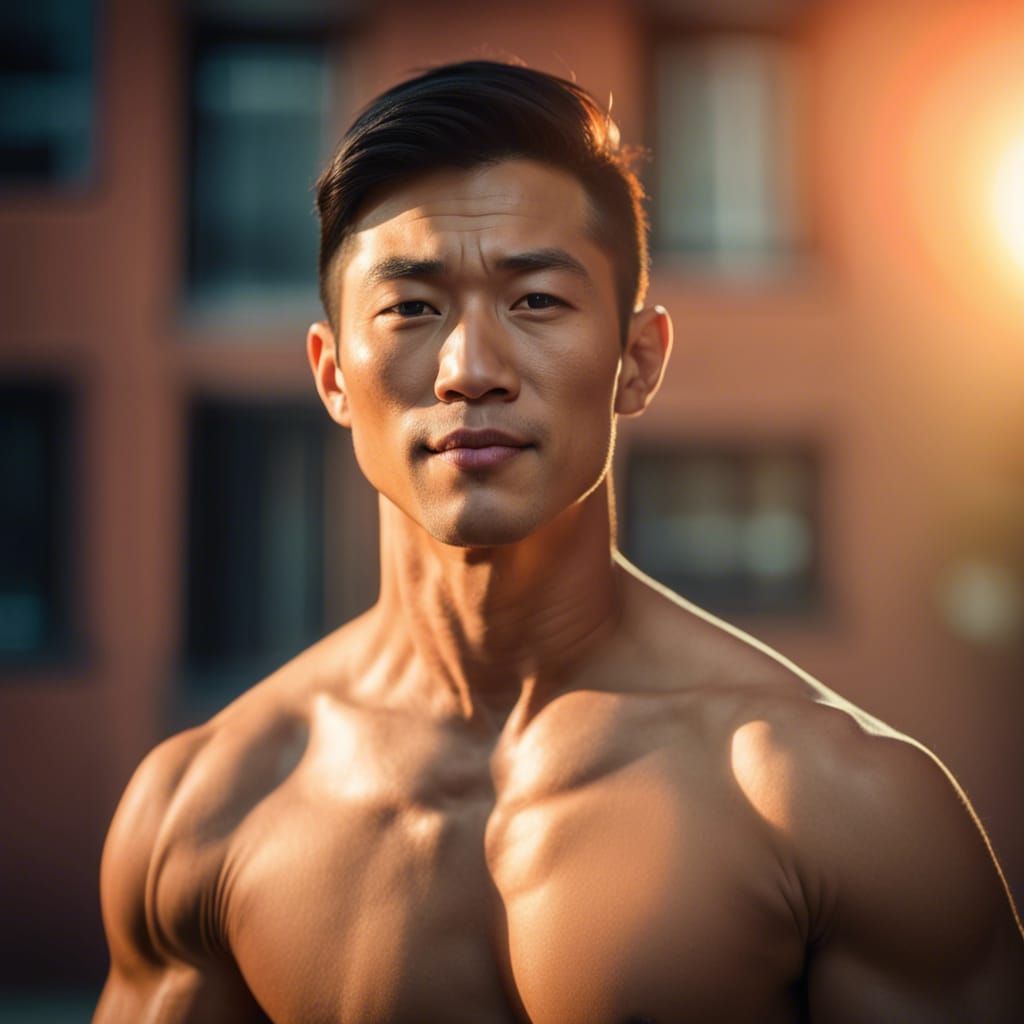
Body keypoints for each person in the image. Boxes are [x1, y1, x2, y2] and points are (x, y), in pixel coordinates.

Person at [94, 61, 1023, 1023]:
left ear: (638, 360)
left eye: (535, 300)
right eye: (412, 307)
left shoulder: (835, 802)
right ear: (332, 375)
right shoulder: (207, 809)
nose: (471, 369)